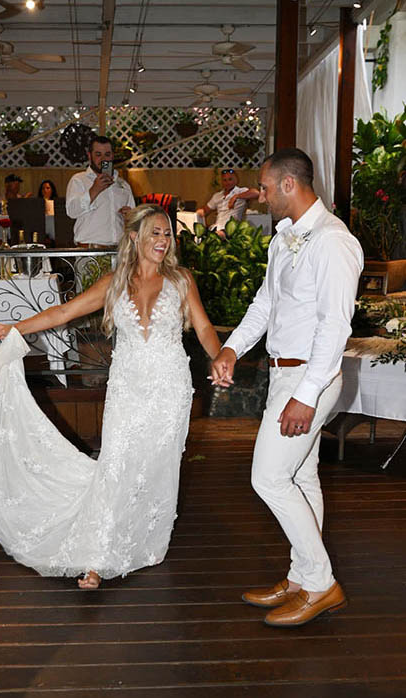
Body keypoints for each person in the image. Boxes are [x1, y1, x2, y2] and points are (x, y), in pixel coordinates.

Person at [0, 203, 221, 589]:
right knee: (117, 464)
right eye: (155, 233)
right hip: (128, 388)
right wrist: (13, 327)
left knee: (155, 465)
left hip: (170, 389)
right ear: (134, 237)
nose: (163, 241)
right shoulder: (115, 282)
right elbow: (63, 312)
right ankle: (97, 557)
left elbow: (203, 327)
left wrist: (221, 358)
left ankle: (142, 541)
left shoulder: (182, 280)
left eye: (167, 233)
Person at [211, 148, 363, 627]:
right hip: (284, 372)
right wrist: (232, 348)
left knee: (268, 478)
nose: (259, 194)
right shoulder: (285, 238)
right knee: (301, 478)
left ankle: (321, 583)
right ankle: (301, 578)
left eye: (264, 186)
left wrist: (306, 395)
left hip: (309, 378)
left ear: (289, 185)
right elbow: (264, 304)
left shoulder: (333, 242)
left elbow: (335, 329)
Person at [66, 135, 135, 248]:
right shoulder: (79, 180)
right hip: (89, 249)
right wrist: (94, 189)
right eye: (98, 154)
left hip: (119, 250)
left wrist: (129, 216)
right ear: (90, 156)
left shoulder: (123, 185)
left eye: (107, 154)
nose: (103, 159)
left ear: (112, 156)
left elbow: (133, 222)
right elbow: (72, 212)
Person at [197, 168, 259, 238]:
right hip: (216, 228)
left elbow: (256, 193)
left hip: (231, 230)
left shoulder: (241, 191)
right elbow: (205, 210)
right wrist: (201, 212)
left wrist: (236, 197)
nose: (227, 182)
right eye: (225, 180)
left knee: (214, 237)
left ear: (236, 180)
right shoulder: (217, 195)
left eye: (230, 179)